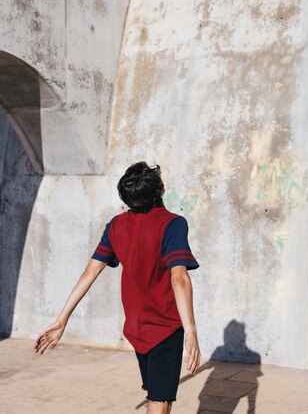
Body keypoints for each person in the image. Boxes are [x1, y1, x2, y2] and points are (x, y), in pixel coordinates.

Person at [34, 161, 201, 414]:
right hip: (165, 327)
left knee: (155, 394)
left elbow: (90, 271)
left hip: (135, 328)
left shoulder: (116, 225)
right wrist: (190, 331)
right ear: (159, 191)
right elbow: (179, 277)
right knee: (159, 400)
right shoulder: (173, 224)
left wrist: (62, 319)